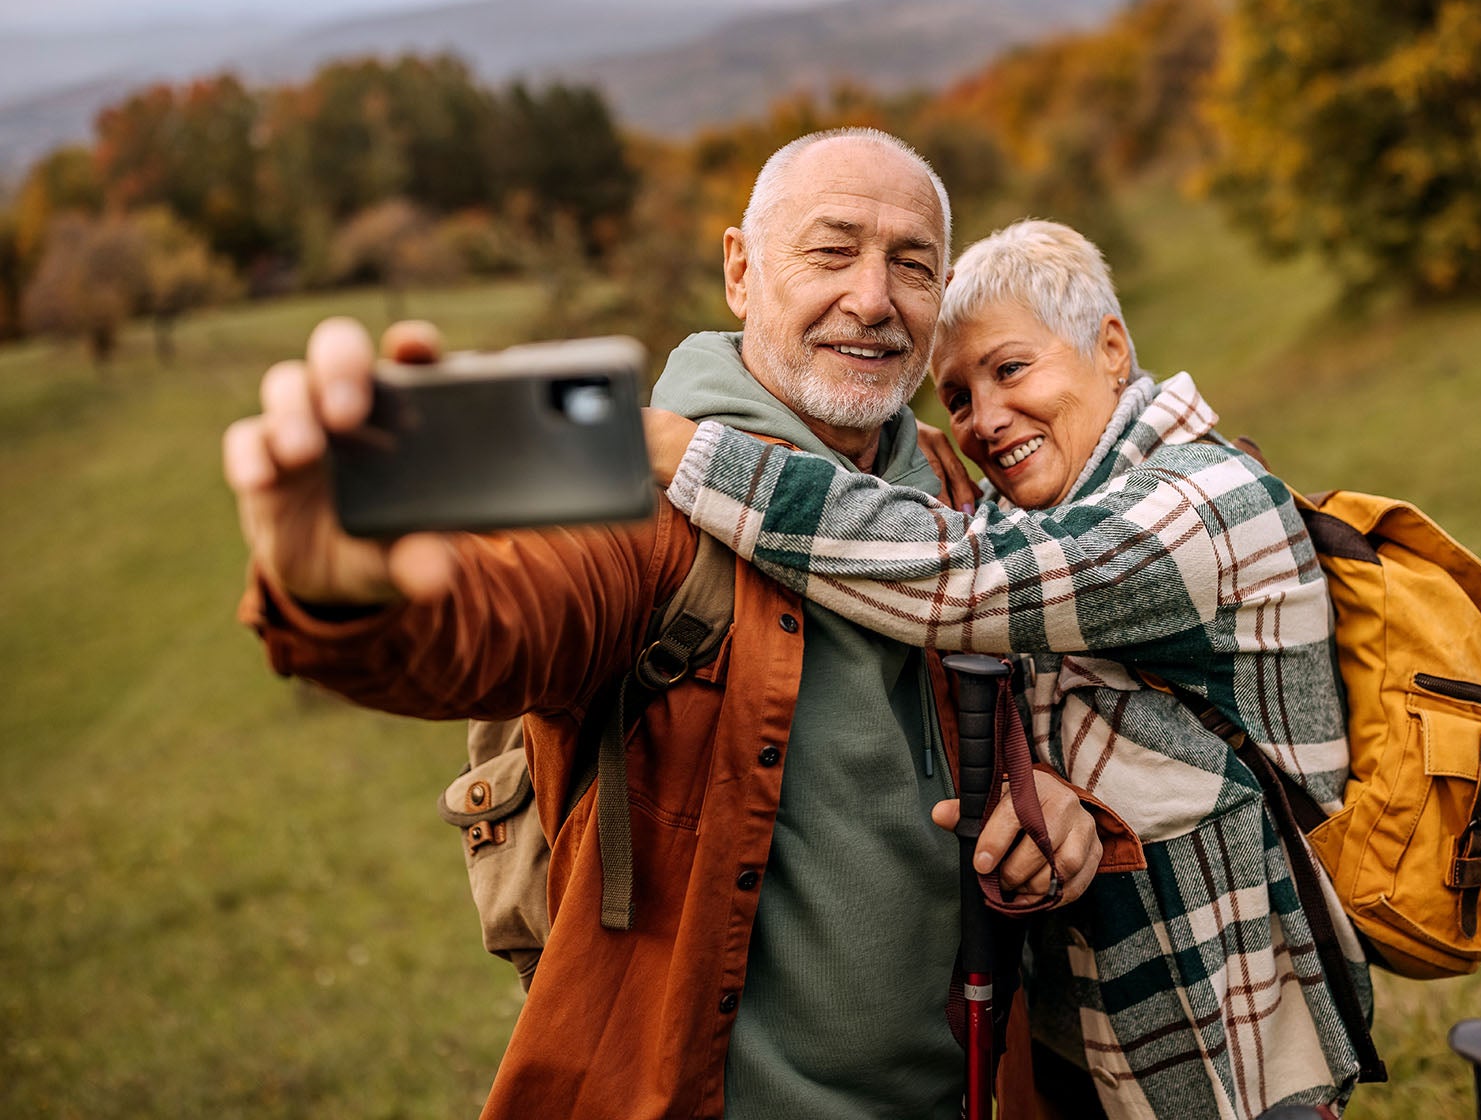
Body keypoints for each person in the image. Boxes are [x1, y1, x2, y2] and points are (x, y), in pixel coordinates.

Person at [223, 131, 1135, 1120]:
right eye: (832, 251)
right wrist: (347, 599)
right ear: (741, 271)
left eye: (911, 264)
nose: (874, 298)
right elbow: (499, 619)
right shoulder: (648, 510)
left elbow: (1065, 686)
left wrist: (1058, 804)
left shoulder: (962, 491)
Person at [643, 219, 1377, 1117]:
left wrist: (692, 454)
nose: (986, 420)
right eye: (956, 396)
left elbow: (969, 579)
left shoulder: (1208, 504)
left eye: (1012, 370)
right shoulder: (1057, 506)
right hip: (1087, 1036)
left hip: (1230, 1048)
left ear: (1111, 347)